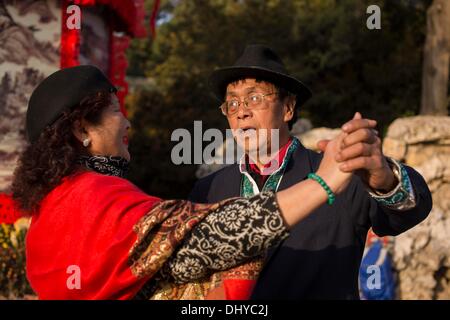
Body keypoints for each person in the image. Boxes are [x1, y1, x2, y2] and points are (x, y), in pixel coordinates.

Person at [13, 65, 353, 300]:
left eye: (255, 99)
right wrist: (323, 183)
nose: (128, 123)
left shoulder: (48, 212)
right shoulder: (94, 196)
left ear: (288, 108)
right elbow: (208, 237)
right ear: (82, 130)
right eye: (117, 111)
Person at [189, 44, 433, 299]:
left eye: (254, 98)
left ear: (288, 108)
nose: (241, 112)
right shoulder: (208, 190)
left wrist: (383, 177)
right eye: (232, 103)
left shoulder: (341, 174)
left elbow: (411, 211)